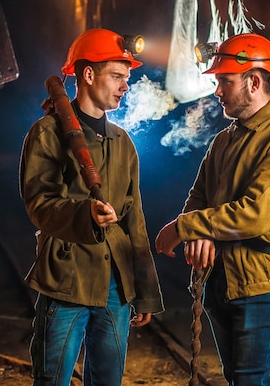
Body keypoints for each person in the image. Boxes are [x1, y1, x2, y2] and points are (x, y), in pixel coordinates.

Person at [155, 32, 270, 386]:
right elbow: (199, 196)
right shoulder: (225, 140)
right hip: (223, 281)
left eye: (224, 82)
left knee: (250, 381)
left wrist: (186, 227)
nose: (217, 92)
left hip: (262, 284)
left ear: (254, 82)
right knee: (237, 379)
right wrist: (200, 228)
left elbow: (256, 214)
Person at [20, 28, 165, 386]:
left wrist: (144, 291)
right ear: (87, 75)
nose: (124, 86)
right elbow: (39, 204)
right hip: (66, 280)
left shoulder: (122, 142)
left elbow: (135, 220)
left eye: (126, 78)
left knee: (107, 381)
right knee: (52, 379)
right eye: (116, 76)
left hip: (115, 285)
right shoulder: (47, 134)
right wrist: (84, 214)